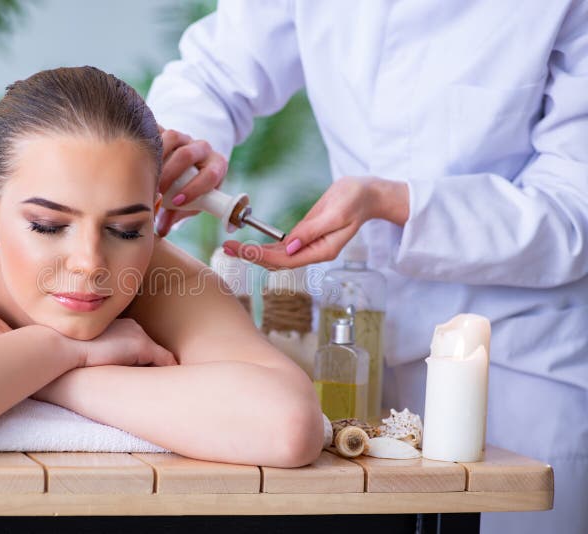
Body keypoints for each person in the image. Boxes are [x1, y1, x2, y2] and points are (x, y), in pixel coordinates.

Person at [144, 2, 588, 533]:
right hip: (360, 338)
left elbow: (574, 211)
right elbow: (214, 72)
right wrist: (183, 146)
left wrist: (393, 202)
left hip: (521, 354)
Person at [0, 66, 324, 466]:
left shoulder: (158, 273)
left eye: (125, 230)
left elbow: (288, 424)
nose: (90, 265)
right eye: (49, 227)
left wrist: (55, 370)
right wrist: (58, 346)